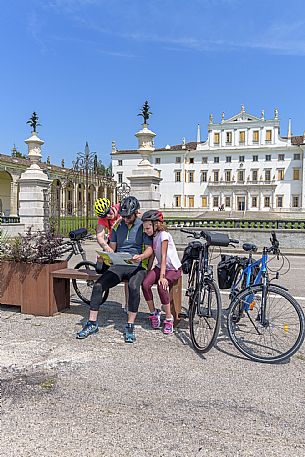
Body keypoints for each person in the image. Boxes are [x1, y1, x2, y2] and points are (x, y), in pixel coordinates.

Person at [77, 196, 153, 343]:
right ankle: (92, 323)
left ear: (136, 213)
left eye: (128, 216)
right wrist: (105, 256)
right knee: (98, 285)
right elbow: (112, 248)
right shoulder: (118, 226)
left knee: (133, 286)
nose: (125, 219)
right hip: (119, 264)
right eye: (123, 216)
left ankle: (130, 325)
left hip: (137, 265)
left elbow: (150, 249)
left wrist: (142, 256)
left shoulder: (143, 226)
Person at [141, 210, 182, 335]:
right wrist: (148, 271)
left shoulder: (164, 235)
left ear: (156, 224)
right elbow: (153, 255)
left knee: (162, 286)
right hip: (161, 267)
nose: (146, 231)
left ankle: (169, 318)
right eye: (145, 228)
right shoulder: (153, 236)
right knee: (145, 284)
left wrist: (162, 277)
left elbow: (164, 256)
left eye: (148, 228)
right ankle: (154, 313)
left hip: (173, 268)